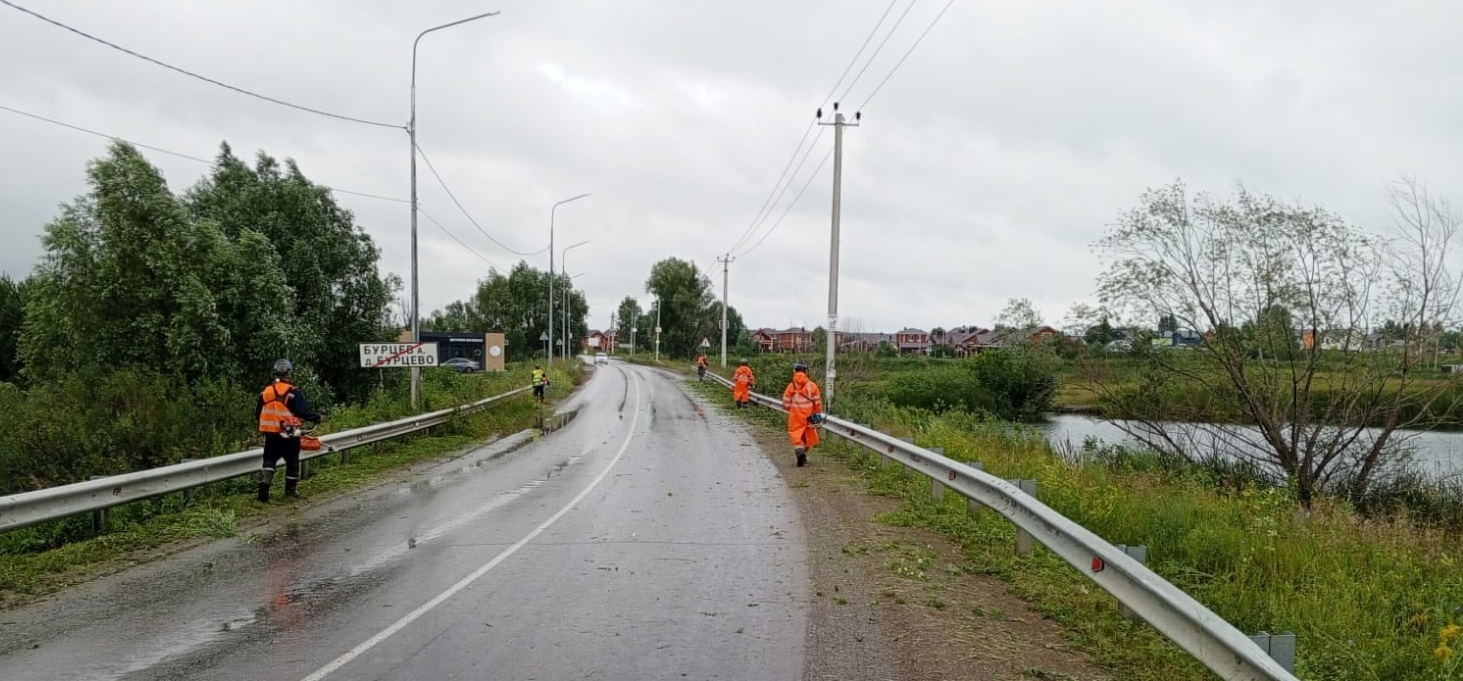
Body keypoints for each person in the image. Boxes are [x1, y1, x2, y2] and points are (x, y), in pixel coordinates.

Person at [256, 359, 321, 502]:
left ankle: (263, 492)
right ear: (288, 373)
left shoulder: (265, 392)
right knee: (292, 461)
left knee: (269, 460)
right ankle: (290, 490)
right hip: (288, 433)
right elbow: (303, 411)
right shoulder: (292, 392)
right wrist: (316, 417)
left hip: (270, 434)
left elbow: (258, 414)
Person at [781, 361, 823, 467]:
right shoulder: (812, 386)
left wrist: (788, 408)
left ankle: (799, 452)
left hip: (795, 416)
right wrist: (817, 413)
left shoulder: (791, 386)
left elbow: (786, 401)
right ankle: (803, 454)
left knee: (796, 435)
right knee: (808, 436)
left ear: (794, 371)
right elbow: (817, 402)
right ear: (805, 371)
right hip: (808, 416)